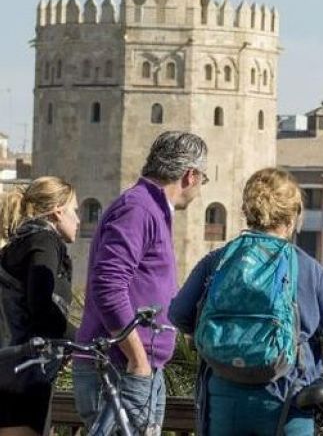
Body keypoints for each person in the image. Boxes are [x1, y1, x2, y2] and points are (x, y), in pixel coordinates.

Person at [169, 167, 323, 436]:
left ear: (249, 212)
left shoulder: (218, 260)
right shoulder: (307, 268)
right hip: (288, 398)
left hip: (224, 395)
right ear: (292, 218)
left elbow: (179, 315)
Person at [73, 131, 208, 434]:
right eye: (203, 180)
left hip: (133, 367)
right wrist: (138, 359)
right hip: (120, 366)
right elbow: (108, 285)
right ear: (191, 176)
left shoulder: (148, 208)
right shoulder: (139, 209)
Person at [0, 177, 79, 436]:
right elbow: (41, 306)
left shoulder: (25, 240)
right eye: (75, 211)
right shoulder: (43, 240)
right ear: (58, 211)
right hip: (19, 373)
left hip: (14, 367)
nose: (78, 220)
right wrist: (80, 338)